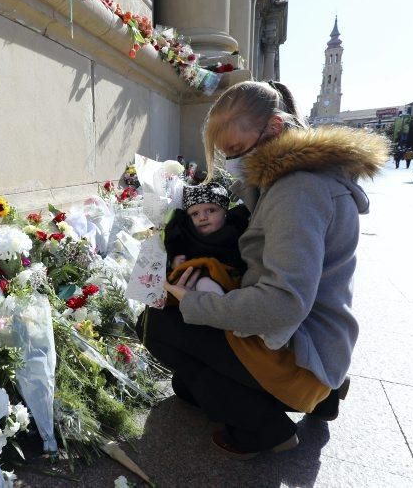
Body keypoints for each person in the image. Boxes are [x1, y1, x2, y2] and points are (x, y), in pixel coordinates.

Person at [140, 80, 388, 459]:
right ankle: (323, 397)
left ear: (273, 128)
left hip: (299, 350)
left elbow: (282, 304)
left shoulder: (297, 191)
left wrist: (193, 303)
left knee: (155, 324)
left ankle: (264, 431)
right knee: (187, 386)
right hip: (320, 341)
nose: (235, 160)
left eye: (237, 149)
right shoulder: (298, 179)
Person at [163, 181, 249, 297]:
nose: (202, 217)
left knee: (204, 284)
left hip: (231, 284)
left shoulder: (236, 231)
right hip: (192, 284)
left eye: (211, 210)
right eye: (195, 214)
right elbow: (174, 250)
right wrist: (175, 262)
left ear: (225, 212)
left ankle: (219, 308)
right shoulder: (185, 235)